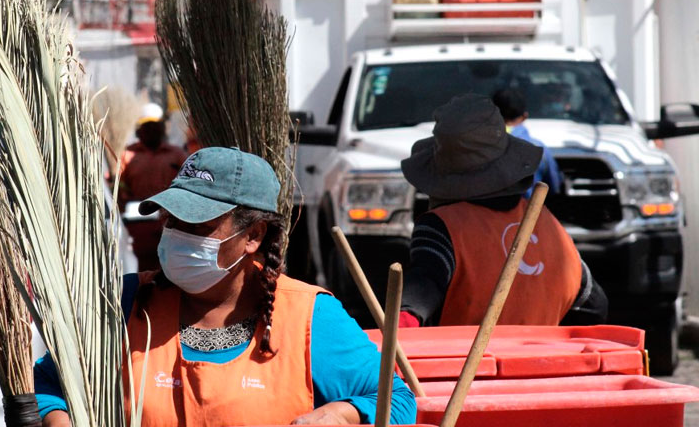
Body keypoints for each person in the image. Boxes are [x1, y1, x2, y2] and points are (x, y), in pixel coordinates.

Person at [37, 147, 417, 426]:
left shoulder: (309, 317)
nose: (176, 236)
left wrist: (341, 413)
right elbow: (47, 382)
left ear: (253, 235)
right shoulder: (127, 301)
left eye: (198, 227)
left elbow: (397, 401)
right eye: (172, 221)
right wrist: (59, 420)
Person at [397, 94, 607, 328]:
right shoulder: (548, 224)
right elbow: (594, 307)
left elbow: (418, 299)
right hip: (540, 360)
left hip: (462, 363)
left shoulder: (442, 228)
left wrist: (399, 328)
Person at [118, 103, 189, 271]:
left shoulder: (176, 154)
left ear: (162, 128)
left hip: (170, 224)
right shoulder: (127, 156)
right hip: (138, 227)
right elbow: (118, 188)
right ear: (139, 130)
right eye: (147, 126)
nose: (151, 130)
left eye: (154, 126)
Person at [492, 88, 562, 197]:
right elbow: (553, 187)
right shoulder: (539, 149)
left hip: (478, 213)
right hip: (526, 212)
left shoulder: (476, 145)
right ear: (525, 116)